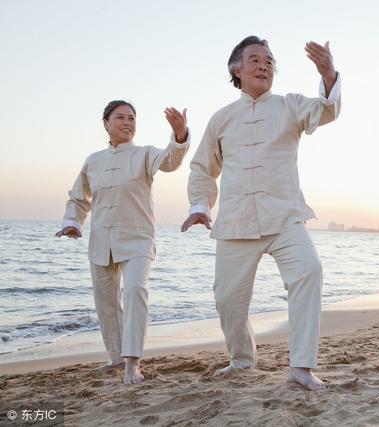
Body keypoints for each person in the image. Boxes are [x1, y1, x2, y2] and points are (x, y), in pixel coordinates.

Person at [181, 35, 341, 391]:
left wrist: (328, 75)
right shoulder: (221, 118)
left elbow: (326, 110)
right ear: (236, 70)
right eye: (254, 59)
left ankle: (301, 366)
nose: (264, 64)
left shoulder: (290, 105)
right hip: (236, 222)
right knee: (227, 299)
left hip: (285, 217)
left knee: (308, 270)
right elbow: (202, 168)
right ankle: (241, 360)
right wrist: (200, 205)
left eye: (269, 60)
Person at [56, 100, 190, 384]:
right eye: (120, 117)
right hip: (101, 241)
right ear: (105, 122)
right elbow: (79, 197)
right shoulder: (93, 160)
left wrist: (179, 136)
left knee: (134, 291)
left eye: (132, 118)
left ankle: (132, 363)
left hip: (138, 239)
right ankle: (115, 358)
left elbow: (170, 160)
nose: (128, 122)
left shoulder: (144, 155)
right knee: (106, 304)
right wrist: (72, 223)